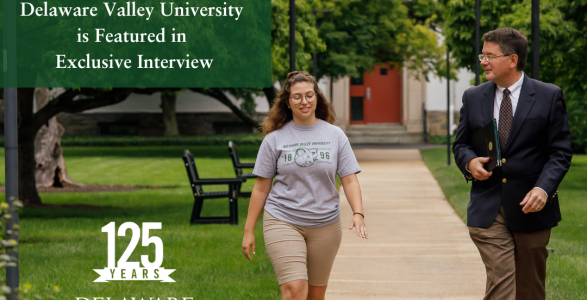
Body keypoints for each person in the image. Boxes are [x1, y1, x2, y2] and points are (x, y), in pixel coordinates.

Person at [453, 28, 573, 300]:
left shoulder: (549, 96)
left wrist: (543, 189)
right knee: (502, 282)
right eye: (482, 55)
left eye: (489, 56)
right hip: (488, 207)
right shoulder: (473, 97)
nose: (483, 61)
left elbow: (560, 152)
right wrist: (470, 162)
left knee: (530, 288)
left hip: (532, 208)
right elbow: (460, 145)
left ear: (512, 59)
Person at [242, 71, 368, 300]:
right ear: (288, 102)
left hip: (325, 224)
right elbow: (261, 188)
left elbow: (349, 179)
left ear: (317, 97)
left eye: (309, 95)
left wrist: (358, 212)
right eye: (297, 97)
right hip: (283, 219)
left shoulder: (335, 136)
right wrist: (248, 230)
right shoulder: (274, 139)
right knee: (295, 290)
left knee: (315, 295)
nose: (304, 101)